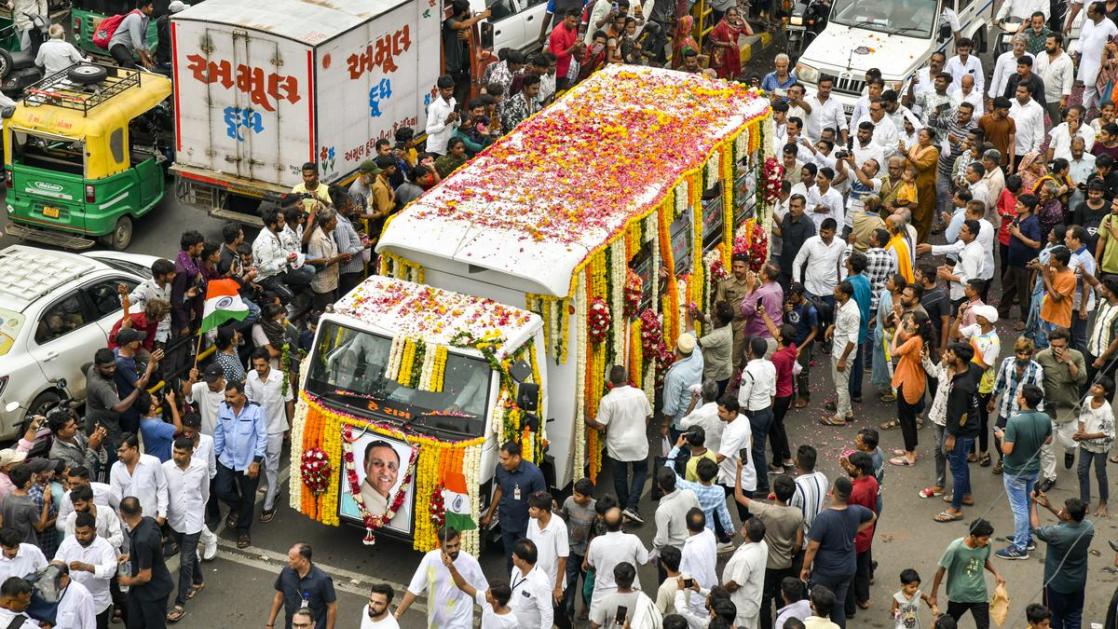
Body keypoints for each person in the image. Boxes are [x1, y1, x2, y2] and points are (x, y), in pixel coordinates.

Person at [799, 476, 875, 628]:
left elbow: (812, 547)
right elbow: (873, 516)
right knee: (838, 605)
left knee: (818, 607)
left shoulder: (824, 518)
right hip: (847, 568)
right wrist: (855, 531)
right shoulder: (856, 511)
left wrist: (805, 568)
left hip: (826, 571)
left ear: (832, 492)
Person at [734, 467, 803, 629]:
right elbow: (798, 543)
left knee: (764, 602)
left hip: (766, 566)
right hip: (785, 564)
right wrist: (791, 553)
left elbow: (738, 496)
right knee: (782, 602)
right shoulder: (797, 514)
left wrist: (738, 470)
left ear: (774, 491)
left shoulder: (764, 510)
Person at [589, 365, 652, 523]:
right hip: (638, 442)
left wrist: (584, 417)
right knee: (640, 471)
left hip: (617, 445)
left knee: (620, 477)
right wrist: (641, 429)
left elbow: (600, 426)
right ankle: (631, 507)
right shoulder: (639, 394)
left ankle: (626, 506)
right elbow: (648, 415)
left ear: (610, 381)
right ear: (626, 378)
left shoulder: (607, 400)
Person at [213, 381, 267, 549]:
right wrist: (215, 456)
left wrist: (256, 462)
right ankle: (237, 507)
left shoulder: (256, 410)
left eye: (231, 396)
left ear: (242, 395)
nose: (228, 399)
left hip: (248, 462)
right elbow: (219, 433)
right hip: (227, 459)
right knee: (221, 489)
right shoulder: (223, 408)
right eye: (226, 396)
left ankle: (243, 530)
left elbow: (262, 437)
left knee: (249, 497)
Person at [480, 442, 546, 571]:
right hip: (506, 524)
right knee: (511, 559)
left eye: (505, 459)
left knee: (526, 560)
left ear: (516, 458)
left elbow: (542, 502)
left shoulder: (534, 474)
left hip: (526, 526)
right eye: (501, 458)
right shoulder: (500, 469)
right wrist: (489, 515)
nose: (501, 461)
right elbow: (499, 490)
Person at [244, 348, 293, 524]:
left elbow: (289, 402)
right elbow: (247, 401)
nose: (258, 368)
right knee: (261, 463)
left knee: (271, 466)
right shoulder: (251, 376)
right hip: (256, 430)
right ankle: (275, 488)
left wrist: (290, 426)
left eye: (261, 365)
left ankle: (268, 505)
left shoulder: (282, 378)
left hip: (275, 429)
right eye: (255, 365)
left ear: (269, 363)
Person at [162, 437, 208, 623]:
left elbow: (205, 493)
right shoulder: (165, 468)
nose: (177, 456)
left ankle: (180, 603)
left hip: (195, 520)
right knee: (187, 554)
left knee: (185, 559)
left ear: (191, 452)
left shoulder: (201, 467)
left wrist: (198, 510)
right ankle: (198, 581)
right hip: (175, 521)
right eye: (175, 452)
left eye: (181, 453)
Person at [1030, 493, 1094, 628]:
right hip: (1078, 583)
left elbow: (1036, 528)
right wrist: (1049, 507)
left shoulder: (1056, 533)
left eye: (1064, 509)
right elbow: (1066, 518)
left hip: (1056, 585)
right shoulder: (1088, 528)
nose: (1061, 509)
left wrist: (1033, 504)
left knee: (1053, 618)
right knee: (1074, 617)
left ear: (1069, 516)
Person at [928, 519, 1005, 629]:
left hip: (979, 595)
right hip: (958, 596)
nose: (987, 541)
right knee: (947, 626)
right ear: (973, 537)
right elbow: (941, 570)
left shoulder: (986, 544)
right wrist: (933, 595)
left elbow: (984, 560)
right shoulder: (955, 548)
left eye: (988, 538)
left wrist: (997, 573)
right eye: (984, 539)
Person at [1036, 328, 1088, 490]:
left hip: (1070, 409)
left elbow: (1082, 380)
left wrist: (1069, 362)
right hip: (1048, 410)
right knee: (1045, 446)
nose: (1056, 349)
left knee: (1070, 441)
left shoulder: (1077, 356)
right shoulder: (1042, 356)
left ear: (1067, 344)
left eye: (1060, 346)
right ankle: (1050, 477)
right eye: (1053, 345)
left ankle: (1070, 452)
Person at [936, 343, 981, 522]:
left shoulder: (961, 387)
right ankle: (966, 494)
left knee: (957, 466)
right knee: (960, 462)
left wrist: (952, 436)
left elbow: (960, 415)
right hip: (970, 426)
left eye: (950, 353)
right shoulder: (973, 369)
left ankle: (955, 508)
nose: (946, 355)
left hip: (962, 431)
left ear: (959, 359)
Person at [584, 506, 649, 620]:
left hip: (603, 594)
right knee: (629, 622)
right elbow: (644, 560)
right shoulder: (633, 539)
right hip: (630, 592)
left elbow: (590, 564)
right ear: (622, 523)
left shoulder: (596, 543)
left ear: (604, 523)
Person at [118, 496, 174, 629]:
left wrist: (127, 581)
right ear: (141, 510)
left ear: (122, 516)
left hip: (153, 593)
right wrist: (131, 556)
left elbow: (145, 576)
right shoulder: (150, 521)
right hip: (141, 592)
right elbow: (156, 544)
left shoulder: (142, 540)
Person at [55, 511, 117, 628]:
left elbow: (110, 571)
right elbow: (57, 561)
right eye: (77, 533)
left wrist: (86, 567)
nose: (80, 537)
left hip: (97, 603)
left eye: (84, 533)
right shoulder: (68, 543)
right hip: (71, 601)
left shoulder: (105, 547)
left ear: (94, 529)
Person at [266, 543, 337, 629]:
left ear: (303, 561)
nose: (289, 561)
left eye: (292, 559)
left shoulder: (322, 580)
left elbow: (332, 608)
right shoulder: (286, 572)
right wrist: (270, 624)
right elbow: (279, 598)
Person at [738, 336, 777, 492]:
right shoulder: (770, 366)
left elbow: (742, 399)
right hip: (767, 410)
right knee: (759, 446)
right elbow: (773, 391)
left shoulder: (749, 371)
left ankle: (763, 484)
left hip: (755, 414)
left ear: (750, 350)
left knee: (757, 449)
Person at [109, 433, 168, 535]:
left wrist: (162, 514)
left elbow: (162, 488)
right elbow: (116, 497)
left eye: (122, 451)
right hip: (128, 523)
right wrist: (125, 523)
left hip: (152, 520)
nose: (118, 454)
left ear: (134, 449)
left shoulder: (153, 462)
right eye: (117, 451)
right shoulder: (115, 468)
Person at [1074, 377, 1115, 517]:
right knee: (1082, 471)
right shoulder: (1087, 400)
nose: (1094, 388)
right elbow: (1082, 417)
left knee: (1100, 473)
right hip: (1086, 444)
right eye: (1095, 385)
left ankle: (1103, 503)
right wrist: (1080, 433)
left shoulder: (1107, 411)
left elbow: (1108, 433)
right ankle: (1084, 502)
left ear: (1106, 393)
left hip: (1100, 446)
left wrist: (1087, 436)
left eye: (1099, 387)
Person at [822, 280, 860, 427]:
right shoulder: (842, 305)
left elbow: (852, 340)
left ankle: (840, 416)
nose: (833, 293)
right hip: (838, 349)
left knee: (841, 385)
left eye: (837, 292)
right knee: (840, 382)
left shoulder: (852, 312)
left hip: (843, 353)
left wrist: (843, 359)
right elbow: (843, 326)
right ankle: (848, 411)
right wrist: (833, 327)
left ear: (844, 295)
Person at [558, 479, 596, 624]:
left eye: (579, 495)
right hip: (571, 550)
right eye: (574, 493)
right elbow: (562, 519)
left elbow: (596, 533)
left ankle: (585, 607)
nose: (575, 497)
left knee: (587, 584)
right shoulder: (568, 502)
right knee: (571, 582)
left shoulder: (595, 507)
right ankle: (569, 613)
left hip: (587, 553)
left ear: (588, 497)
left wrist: (588, 555)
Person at [723, 517, 768, 628]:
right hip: (752, 600)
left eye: (744, 526)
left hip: (741, 607)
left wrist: (721, 591)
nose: (742, 527)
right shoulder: (762, 544)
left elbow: (735, 584)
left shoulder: (745, 558)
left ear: (745, 533)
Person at [590, 562, 660, 628]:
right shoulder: (642, 598)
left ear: (615, 580)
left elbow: (595, 625)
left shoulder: (607, 600)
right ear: (632, 579)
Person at [108, 0, 154, 69]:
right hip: (117, 45)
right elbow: (136, 42)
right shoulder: (135, 17)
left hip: (127, 49)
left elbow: (144, 40)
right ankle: (123, 79)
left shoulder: (146, 19)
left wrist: (148, 56)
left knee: (140, 65)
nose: (153, 9)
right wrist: (143, 59)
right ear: (144, 7)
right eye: (151, 7)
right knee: (129, 63)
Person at [707, 7, 750, 80]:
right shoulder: (721, 25)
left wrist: (743, 19)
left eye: (734, 15)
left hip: (732, 52)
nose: (732, 17)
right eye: (730, 15)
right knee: (720, 77)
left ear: (737, 16)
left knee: (731, 75)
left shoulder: (738, 25)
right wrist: (727, 44)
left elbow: (750, 33)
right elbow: (712, 39)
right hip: (721, 55)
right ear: (726, 15)